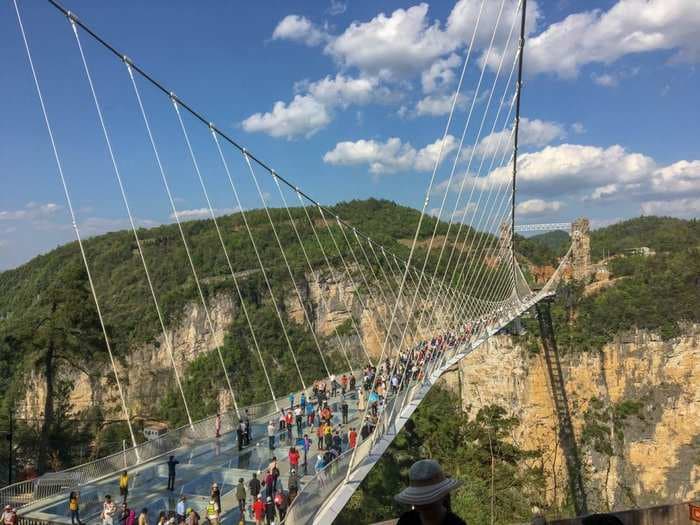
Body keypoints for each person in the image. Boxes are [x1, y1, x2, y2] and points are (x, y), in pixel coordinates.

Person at [395, 459, 465, 525]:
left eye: (429, 499)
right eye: (420, 497)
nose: (424, 503)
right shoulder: (406, 521)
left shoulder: (456, 523)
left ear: (443, 495)